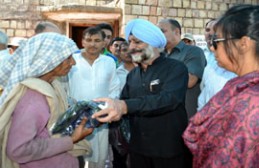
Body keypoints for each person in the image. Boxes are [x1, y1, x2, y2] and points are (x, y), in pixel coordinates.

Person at [183, 3, 259, 167]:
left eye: (217, 40)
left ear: (244, 43)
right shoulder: (255, 87)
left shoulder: (257, 99)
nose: (212, 48)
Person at [92, 18, 191, 168]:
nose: (131, 47)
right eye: (130, 42)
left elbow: (168, 100)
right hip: (138, 150)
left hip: (168, 149)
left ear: (154, 44)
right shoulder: (133, 75)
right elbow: (123, 104)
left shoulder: (176, 68)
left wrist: (124, 106)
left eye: (137, 42)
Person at [0, 33, 93, 168]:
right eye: (67, 58)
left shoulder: (53, 85)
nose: (73, 62)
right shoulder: (33, 99)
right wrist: (71, 140)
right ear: (49, 60)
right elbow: (19, 149)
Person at [68, 26, 120, 168]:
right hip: (75, 117)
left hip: (100, 117)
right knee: (75, 156)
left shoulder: (109, 62)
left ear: (104, 43)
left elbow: (114, 88)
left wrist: (105, 109)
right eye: (88, 40)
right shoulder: (72, 61)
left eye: (97, 40)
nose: (92, 44)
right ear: (82, 41)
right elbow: (65, 87)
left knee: (99, 158)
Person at [158, 18, 206, 119]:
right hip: (163, 116)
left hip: (186, 115)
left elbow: (189, 81)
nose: (158, 34)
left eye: (162, 31)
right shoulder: (159, 55)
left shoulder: (193, 52)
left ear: (176, 32)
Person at [197, 19, 236, 110]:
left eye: (218, 41)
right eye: (207, 30)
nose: (210, 33)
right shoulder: (209, 66)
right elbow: (203, 99)